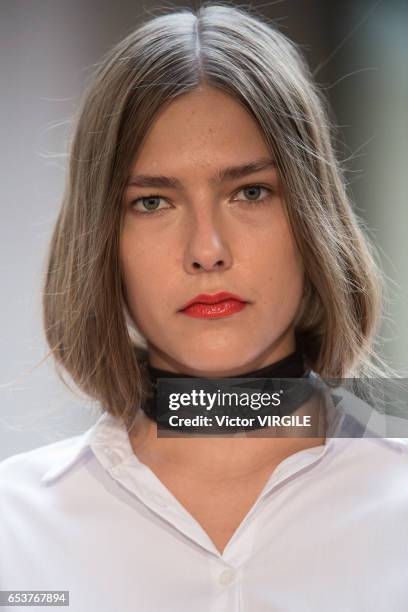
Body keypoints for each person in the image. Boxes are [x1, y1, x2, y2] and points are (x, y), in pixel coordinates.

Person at [1, 3, 407, 611]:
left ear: (313, 220)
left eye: (250, 192)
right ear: (101, 242)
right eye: (152, 203)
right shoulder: (14, 527)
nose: (207, 251)